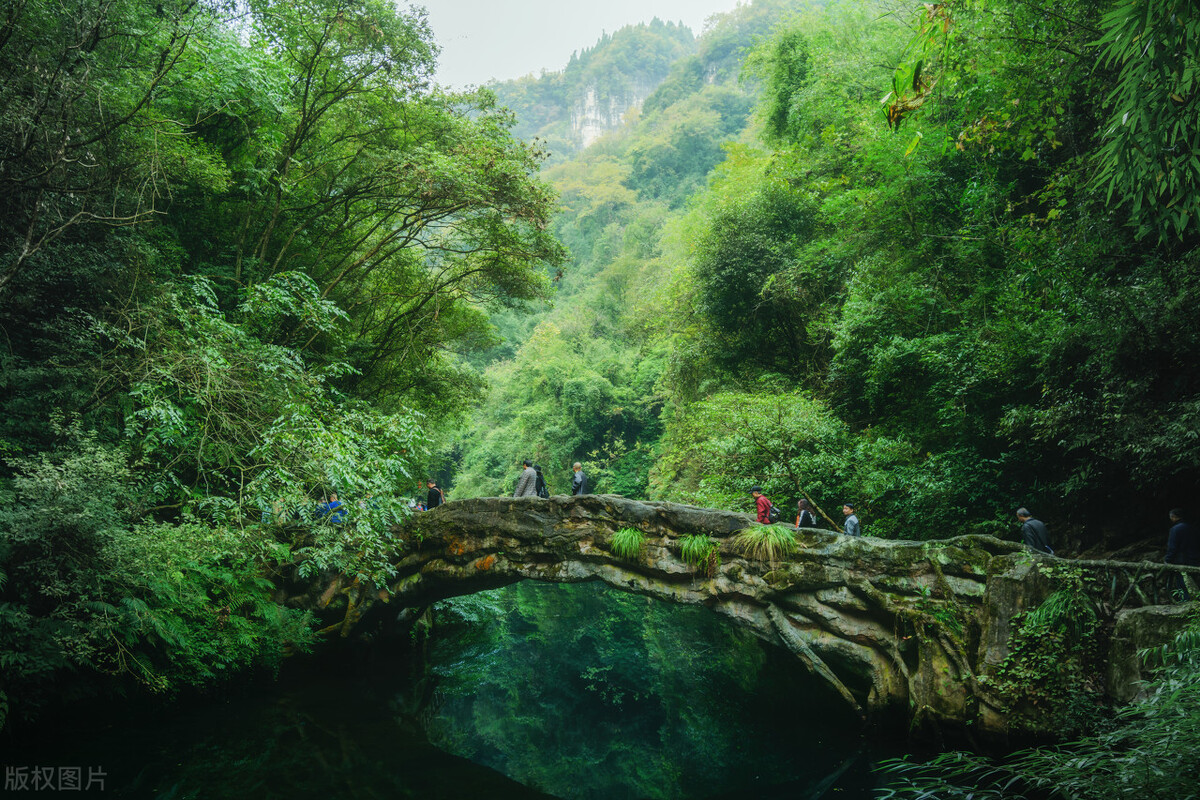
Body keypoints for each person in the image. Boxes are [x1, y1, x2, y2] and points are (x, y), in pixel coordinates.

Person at [1165, 508, 1199, 601]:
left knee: (1182, 583)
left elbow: (1172, 547)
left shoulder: (1175, 529)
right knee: (1194, 581)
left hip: (1181, 560)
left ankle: (1185, 602)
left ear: (1173, 517)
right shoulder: (1193, 528)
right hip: (1195, 558)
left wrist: (1167, 560)